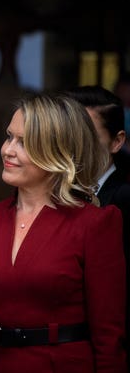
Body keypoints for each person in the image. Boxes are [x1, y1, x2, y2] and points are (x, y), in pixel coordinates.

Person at [0, 94, 127, 372]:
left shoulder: (94, 224)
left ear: (58, 152)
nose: (8, 150)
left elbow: (109, 340)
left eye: (24, 142)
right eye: (9, 137)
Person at [63, 85, 130, 368]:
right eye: (68, 134)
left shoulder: (123, 199)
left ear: (117, 142)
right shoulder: (50, 196)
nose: (75, 145)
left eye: (87, 136)